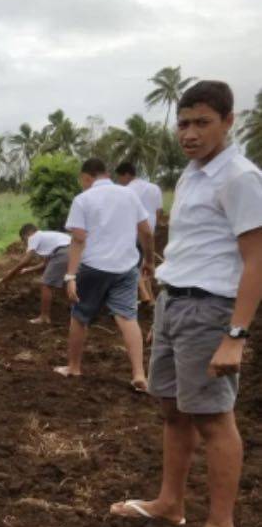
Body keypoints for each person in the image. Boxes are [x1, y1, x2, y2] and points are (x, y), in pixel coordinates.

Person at [109, 80, 262, 527]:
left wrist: (235, 333)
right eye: (184, 123)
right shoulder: (193, 173)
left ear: (228, 122)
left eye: (202, 123)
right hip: (176, 301)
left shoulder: (240, 177)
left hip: (210, 307)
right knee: (173, 409)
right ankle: (169, 503)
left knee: (214, 415)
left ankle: (222, 526)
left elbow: (256, 258)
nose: (190, 133)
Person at [55, 158, 154, 390]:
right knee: (128, 318)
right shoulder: (130, 195)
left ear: (86, 177)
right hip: (127, 267)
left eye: (82, 180)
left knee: (79, 315)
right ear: (106, 174)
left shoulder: (83, 199)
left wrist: (70, 276)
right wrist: (148, 260)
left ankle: (73, 367)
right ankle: (139, 374)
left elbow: (79, 239)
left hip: (93, 267)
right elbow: (147, 232)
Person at [115, 162, 164, 303]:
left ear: (126, 175)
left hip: (133, 232)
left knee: (131, 265)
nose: (120, 182)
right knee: (144, 265)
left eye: (120, 178)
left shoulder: (127, 190)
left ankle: (145, 296)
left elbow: (122, 213)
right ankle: (151, 299)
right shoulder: (154, 188)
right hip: (149, 231)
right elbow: (159, 211)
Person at [4, 224, 73, 324]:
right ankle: (78, 311)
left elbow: (26, 261)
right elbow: (45, 264)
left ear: (26, 235)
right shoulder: (49, 238)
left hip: (64, 253)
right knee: (68, 282)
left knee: (46, 284)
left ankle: (44, 317)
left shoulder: (34, 236)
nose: (26, 243)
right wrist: (27, 270)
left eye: (24, 241)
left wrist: (10, 274)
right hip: (76, 251)